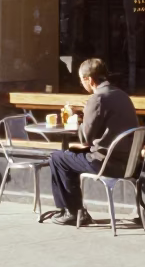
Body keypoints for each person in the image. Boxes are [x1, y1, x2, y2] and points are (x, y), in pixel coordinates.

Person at [48, 58, 139, 226]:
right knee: (68, 157)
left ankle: (73, 212)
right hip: (130, 164)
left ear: (89, 79)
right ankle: (75, 210)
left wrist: (77, 120)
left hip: (106, 163)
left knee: (57, 158)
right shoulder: (122, 95)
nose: (82, 84)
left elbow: (86, 138)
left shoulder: (97, 98)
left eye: (82, 80)